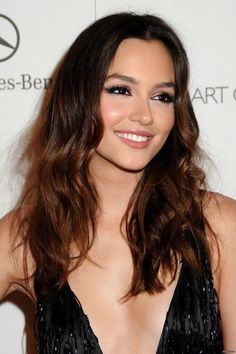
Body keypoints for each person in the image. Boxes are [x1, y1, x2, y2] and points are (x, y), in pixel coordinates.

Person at [0, 11, 235, 354]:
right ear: (77, 99)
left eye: (162, 96)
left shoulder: (220, 225)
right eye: (121, 90)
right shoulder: (27, 235)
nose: (144, 115)